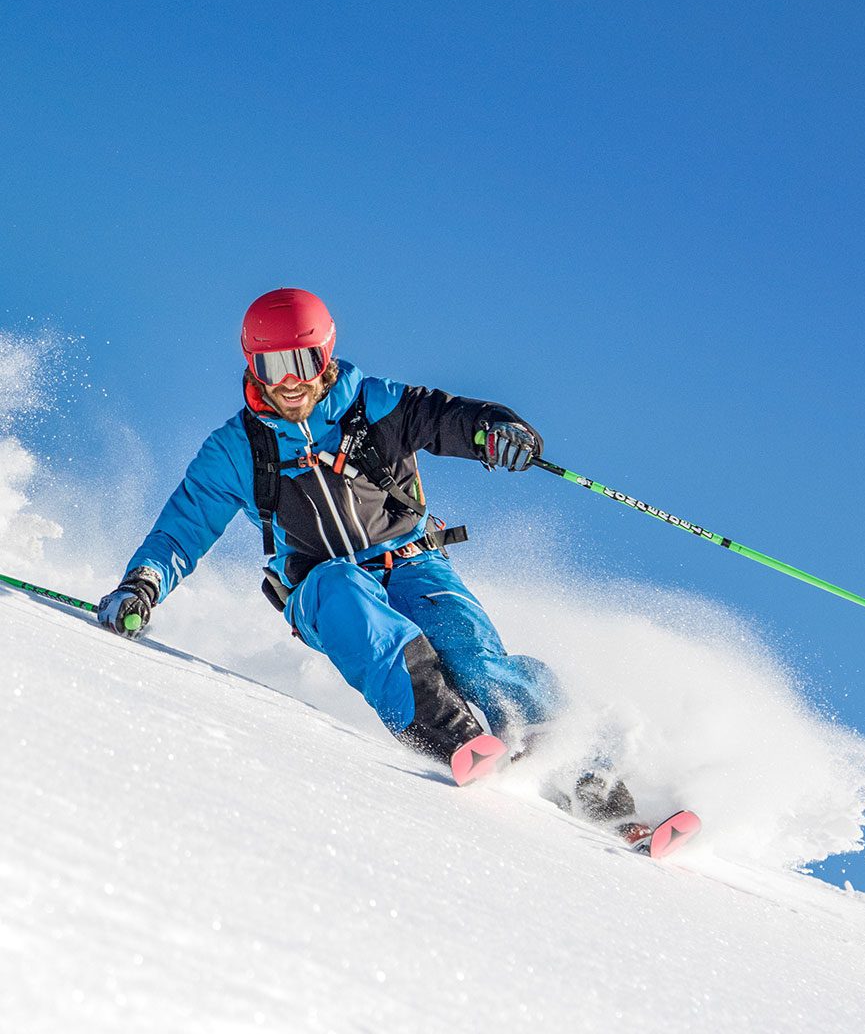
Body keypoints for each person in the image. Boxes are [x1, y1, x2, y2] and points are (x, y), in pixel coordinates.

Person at [99, 289, 639, 820]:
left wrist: (497, 430)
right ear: (252, 364)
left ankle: (597, 782)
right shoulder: (236, 450)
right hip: (320, 584)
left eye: (302, 362)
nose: (289, 382)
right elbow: (182, 528)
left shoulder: (375, 405)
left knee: (476, 662)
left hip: (413, 561)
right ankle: (456, 736)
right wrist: (140, 586)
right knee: (346, 596)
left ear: (326, 355)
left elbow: (446, 416)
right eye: (272, 365)